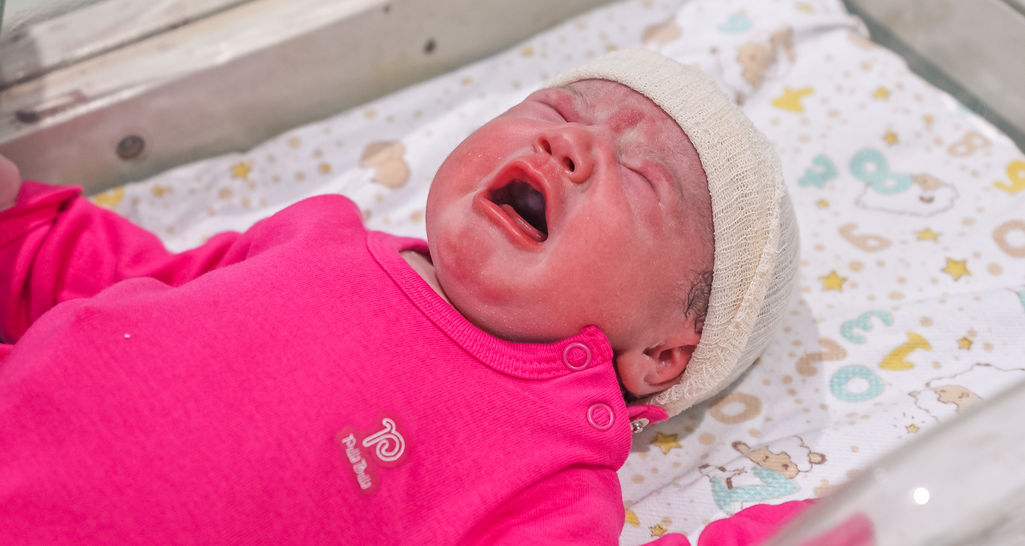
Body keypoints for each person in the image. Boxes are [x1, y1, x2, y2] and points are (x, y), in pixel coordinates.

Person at [0, 49, 799, 544]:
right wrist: (18, 224)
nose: (571, 142)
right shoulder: (322, 231)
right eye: (558, 108)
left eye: (642, 176)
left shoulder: (545, 471)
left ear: (662, 354)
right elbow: (134, 283)